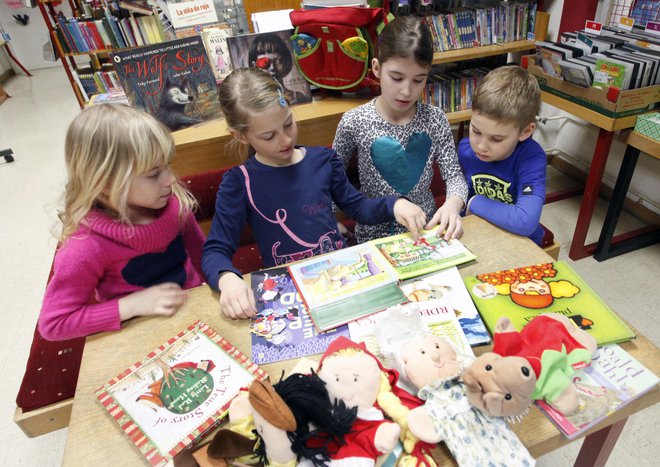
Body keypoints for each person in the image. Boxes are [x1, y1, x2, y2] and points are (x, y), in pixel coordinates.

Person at [202, 68, 426, 320]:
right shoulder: (239, 182)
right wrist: (226, 278)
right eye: (268, 136)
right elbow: (215, 250)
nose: (285, 139)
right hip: (291, 294)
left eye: (288, 123)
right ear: (240, 135)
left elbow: (359, 208)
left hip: (341, 279)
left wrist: (395, 205)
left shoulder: (324, 159)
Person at [38, 104, 205, 341]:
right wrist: (130, 306)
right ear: (105, 183)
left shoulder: (172, 203)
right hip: (137, 336)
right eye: (153, 174)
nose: (171, 178)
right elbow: (54, 324)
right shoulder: (85, 247)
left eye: (167, 165)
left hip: (195, 315)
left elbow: (202, 256)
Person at [333, 16, 468, 243]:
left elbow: (454, 175)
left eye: (418, 80)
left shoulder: (435, 119)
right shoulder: (354, 121)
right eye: (396, 78)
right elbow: (332, 178)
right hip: (373, 236)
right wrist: (329, 218)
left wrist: (453, 205)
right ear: (376, 68)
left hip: (426, 232)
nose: (406, 91)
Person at [458, 65, 546, 246]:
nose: (481, 146)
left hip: (518, 242)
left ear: (526, 131)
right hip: (477, 233)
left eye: (496, 139)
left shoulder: (531, 158)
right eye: (475, 131)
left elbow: (525, 221)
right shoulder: (465, 149)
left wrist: (474, 202)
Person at [248, 32, 309, 105]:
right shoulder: (253, 104)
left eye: (278, 61)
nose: (272, 68)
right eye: (264, 63)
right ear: (255, 66)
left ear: (286, 63)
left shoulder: (299, 97)